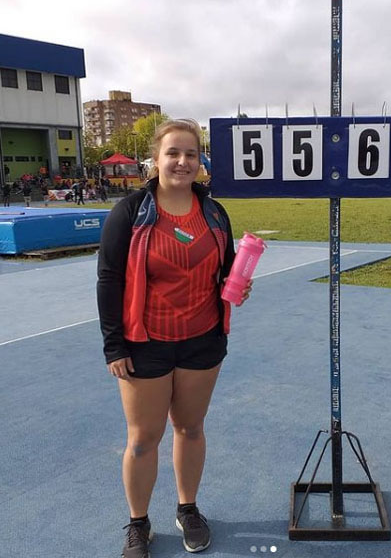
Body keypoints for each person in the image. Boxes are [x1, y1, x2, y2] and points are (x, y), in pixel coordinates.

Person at [96, 119, 251, 558]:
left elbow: (226, 269)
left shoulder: (214, 213)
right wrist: (114, 345)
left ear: (200, 161)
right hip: (144, 343)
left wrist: (237, 285)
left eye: (191, 154)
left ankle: (188, 509)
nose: (182, 162)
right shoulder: (130, 212)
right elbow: (108, 279)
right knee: (143, 438)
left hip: (202, 340)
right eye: (173, 153)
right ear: (156, 159)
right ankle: (138, 523)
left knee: (190, 428)